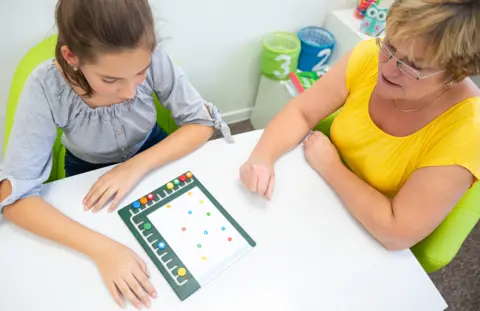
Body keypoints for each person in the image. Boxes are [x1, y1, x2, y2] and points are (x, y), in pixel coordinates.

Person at [0, 0, 231, 309]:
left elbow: (201, 122)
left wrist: (134, 167)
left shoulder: (154, 57)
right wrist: (103, 250)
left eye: (140, 72)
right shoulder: (45, 87)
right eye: (110, 80)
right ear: (72, 57)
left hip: (151, 153)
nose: (130, 93)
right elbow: (15, 199)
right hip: (86, 170)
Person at [240, 0, 480, 251]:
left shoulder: (468, 129)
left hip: (367, 233)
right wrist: (262, 156)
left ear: (456, 73)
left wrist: (331, 166)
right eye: (390, 44)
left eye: (413, 66)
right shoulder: (369, 54)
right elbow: (302, 111)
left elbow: (396, 232)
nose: (387, 67)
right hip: (319, 197)